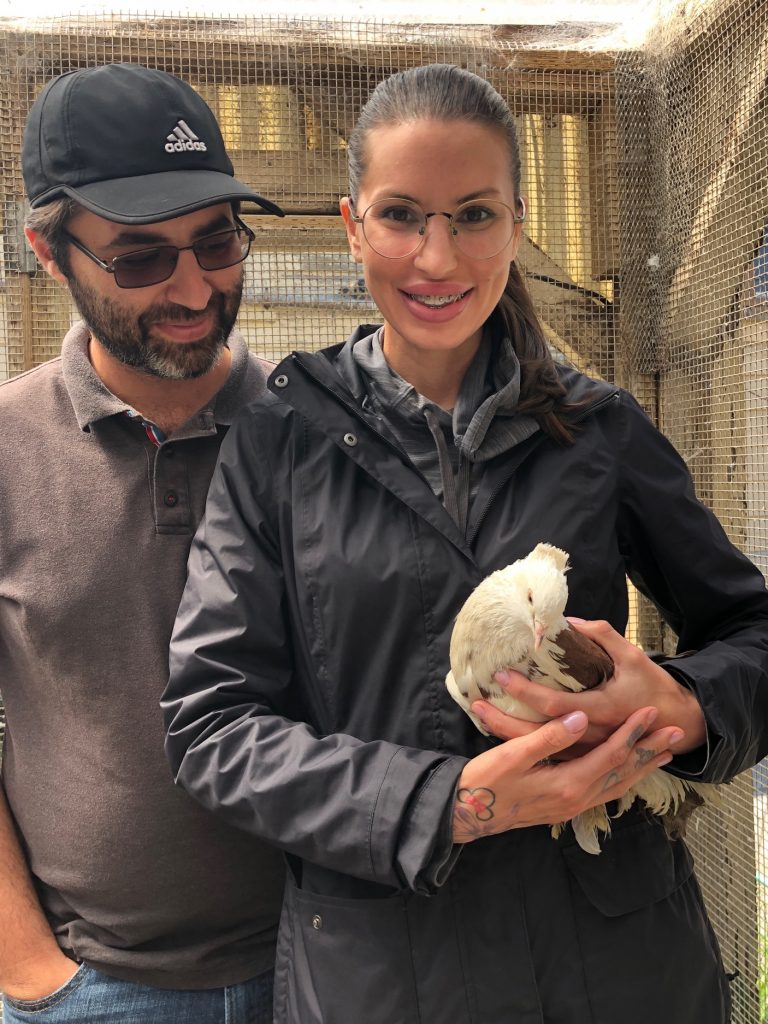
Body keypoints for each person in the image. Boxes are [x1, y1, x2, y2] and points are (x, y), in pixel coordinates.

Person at [162, 63, 768, 1024]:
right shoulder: (282, 440)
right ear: (354, 224)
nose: (436, 259)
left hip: (617, 969)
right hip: (384, 979)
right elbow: (211, 727)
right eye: (402, 215)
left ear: (517, 224)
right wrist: (436, 801)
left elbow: (753, 632)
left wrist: (687, 706)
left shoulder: (600, 431)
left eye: (474, 215)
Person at [0, 63, 286, 1024]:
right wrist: (32, 969)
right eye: (140, 259)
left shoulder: (319, 432)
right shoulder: (5, 450)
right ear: (50, 249)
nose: (195, 286)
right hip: (94, 987)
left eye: (217, 241)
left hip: (332, 964)